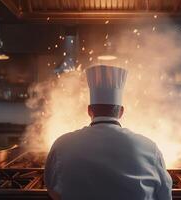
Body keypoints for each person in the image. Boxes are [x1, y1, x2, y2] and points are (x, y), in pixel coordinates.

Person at [44, 65, 172, 200]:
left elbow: (51, 189)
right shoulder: (149, 147)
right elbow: (164, 195)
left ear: (89, 110)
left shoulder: (62, 144)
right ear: (121, 112)